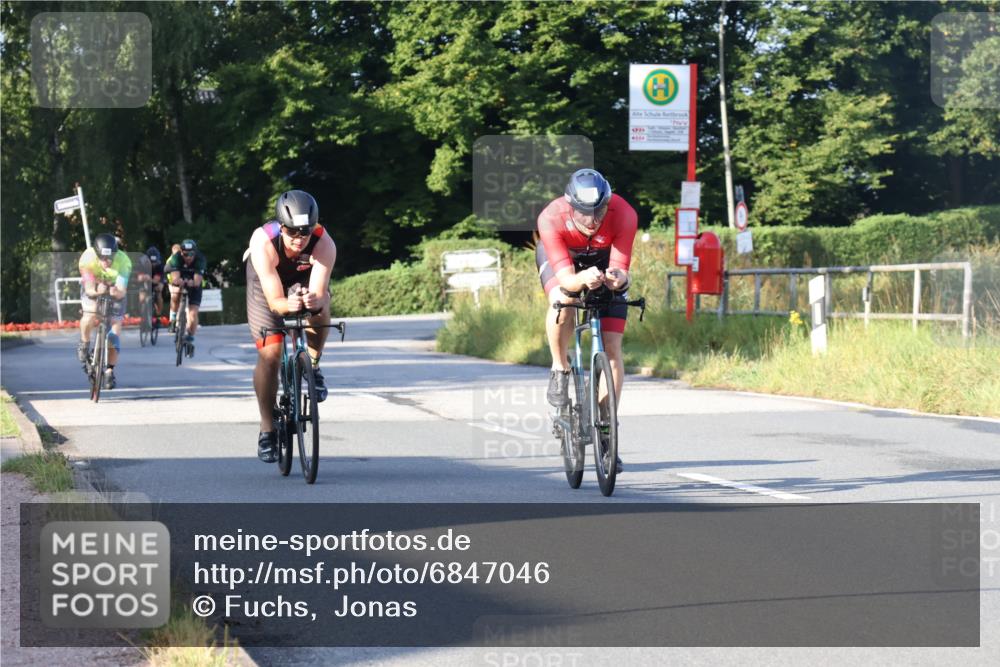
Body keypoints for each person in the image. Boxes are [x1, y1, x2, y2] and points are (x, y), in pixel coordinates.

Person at [535, 169, 638, 471]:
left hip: (603, 260)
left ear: (608, 203)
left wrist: (619, 279)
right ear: (571, 206)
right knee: (563, 299)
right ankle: (559, 367)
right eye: (584, 212)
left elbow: (622, 271)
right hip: (564, 261)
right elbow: (567, 279)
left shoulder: (624, 214)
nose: (592, 220)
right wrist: (580, 280)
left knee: (612, 347)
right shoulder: (551, 217)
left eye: (599, 211)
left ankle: (606, 428)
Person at [245, 190, 336, 463]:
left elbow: (319, 292)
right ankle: (267, 428)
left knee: (320, 309)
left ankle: (313, 364)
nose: (299, 238)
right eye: (292, 232)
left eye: (305, 232)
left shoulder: (324, 243)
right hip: (265, 286)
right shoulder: (263, 241)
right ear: (281, 227)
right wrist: (287, 304)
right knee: (270, 354)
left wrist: (313, 301)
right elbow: (275, 302)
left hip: (302, 279)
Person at [77, 233, 133, 389]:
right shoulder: (87, 259)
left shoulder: (124, 261)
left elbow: (121, 291)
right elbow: (88, 289)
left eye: (110, 258)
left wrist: (116, 292)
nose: (107, 261)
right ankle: (84, 342)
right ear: (97, 255)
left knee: (114, 331)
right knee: (90, 313)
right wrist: (97, 290)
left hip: (114, 290)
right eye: (103, 258)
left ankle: (109, 371)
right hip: (94, 288)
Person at [165, 239, 206, 351]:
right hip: (181, 278)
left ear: (195, 253)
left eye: (191, 254)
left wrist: (192, 282)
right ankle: (173, 319)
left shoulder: (200, 259)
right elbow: (175, 278)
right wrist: (178, 281)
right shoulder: (176, 258)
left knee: (192, 314)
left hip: (194, 283)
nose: (188, 257)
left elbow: (197, 281)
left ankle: (190, 336)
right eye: (186, 254)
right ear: (181, 253)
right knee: (175, 295)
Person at [135, 246, 165, 324]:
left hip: (155, 279)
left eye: (154, 262)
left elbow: (158, 279)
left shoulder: (160, 264)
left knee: (159, 293)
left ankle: (158, 315)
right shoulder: (141, 262)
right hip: (144, 281)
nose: (152, 264)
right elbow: (138, 278)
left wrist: (154, 281)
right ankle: (142, 314)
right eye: (151, 262)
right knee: (142, 297)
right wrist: (142, 277)